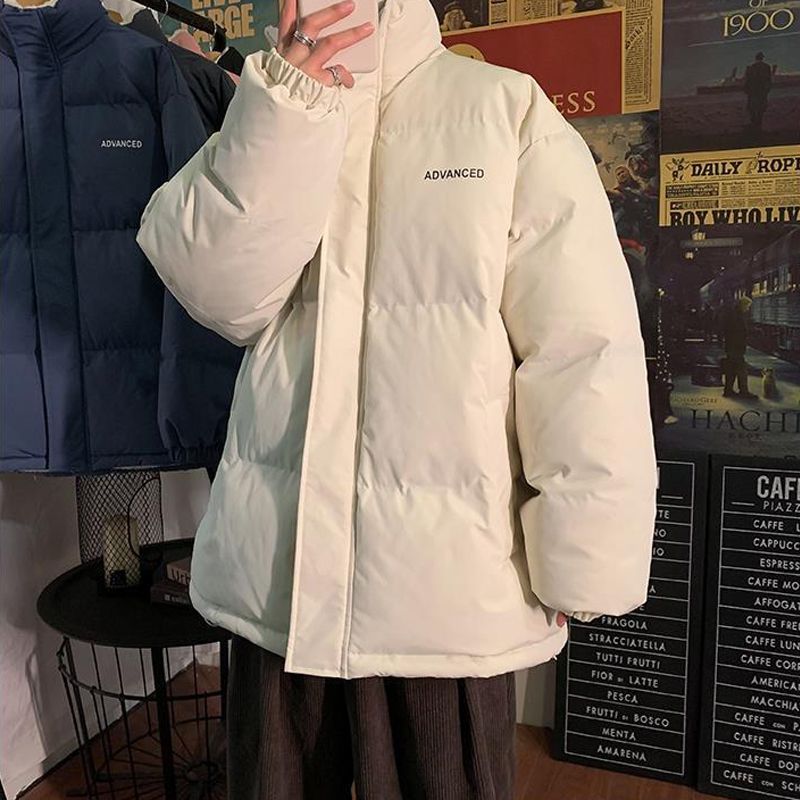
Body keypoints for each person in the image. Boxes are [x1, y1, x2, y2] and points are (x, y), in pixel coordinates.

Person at [137, 0, 657, 796]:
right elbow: (218, 293)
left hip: (443, 598)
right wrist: (284, 111)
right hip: (281, 585)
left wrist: (582, 562)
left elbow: (583, 352)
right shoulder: (272, 106)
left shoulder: (504, 113)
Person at [722, 296, 757, 399]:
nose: (748, 309)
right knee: (742, 370)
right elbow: (737, 332)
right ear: (743, 305)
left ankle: (728, 391)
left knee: (731, 370)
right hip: (735, 347)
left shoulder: (735, 314)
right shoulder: (736, 316)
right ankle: (743, 391)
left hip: (733, 347)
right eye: (747, 306)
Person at [744, 51, 772, 134]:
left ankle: (754, 121)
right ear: (762, 58)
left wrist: (747, 89)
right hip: (762, 90)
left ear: (756, 58)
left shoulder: (751, 67)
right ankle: (758, 122)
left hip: (753, 90)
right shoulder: (766, 67)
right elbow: (768, 79)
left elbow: (748, 80)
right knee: (761, 107)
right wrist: (767, 89)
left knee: (752, 107)